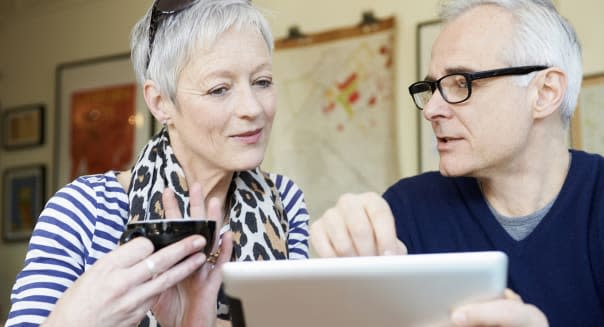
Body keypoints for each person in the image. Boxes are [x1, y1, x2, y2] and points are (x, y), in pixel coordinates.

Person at [6, 0, 309, 326]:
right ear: (160, 102)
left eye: (262, 81)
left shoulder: (285, 201)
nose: (252, 108)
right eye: (219, 89)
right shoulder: (84, 211)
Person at [310, 0, 603, 326]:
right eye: (432, 87)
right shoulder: (407, 209)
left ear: (545, 92)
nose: (431, 109)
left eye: (461, 82)